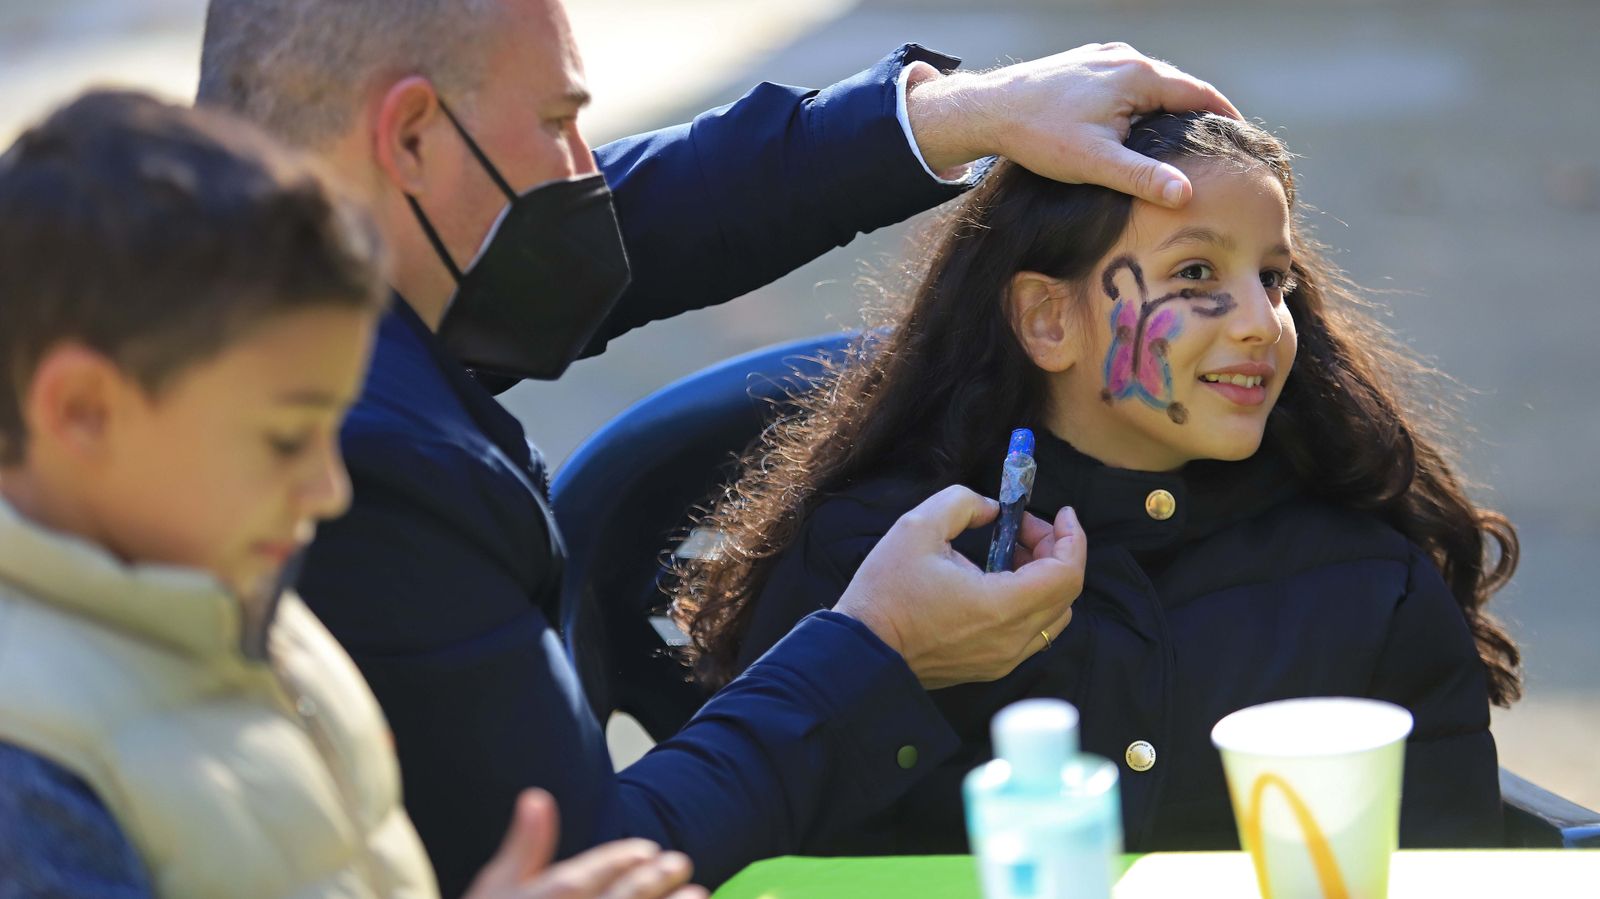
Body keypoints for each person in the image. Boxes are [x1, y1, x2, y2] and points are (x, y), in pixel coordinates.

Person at [196, 0, 1239, 891]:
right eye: (558, 125)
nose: (585, 173)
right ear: (412, 138)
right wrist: (874, 651)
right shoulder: (365, 470)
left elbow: (626, 225)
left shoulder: (233, 280)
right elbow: (590, 865)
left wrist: (949, 117)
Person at [673, 112, 1523, 855]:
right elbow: (755, 842)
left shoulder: (1370, 583)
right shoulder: (872, 564)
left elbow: (1452, 863)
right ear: (1048, 319)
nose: (1264, 324)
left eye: (1273, 279)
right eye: (1197, 275)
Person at [0, 90, 708, 899]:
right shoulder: (28, 769)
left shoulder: (226, 586)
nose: (329, 490)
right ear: (82, 410)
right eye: (284, 438)